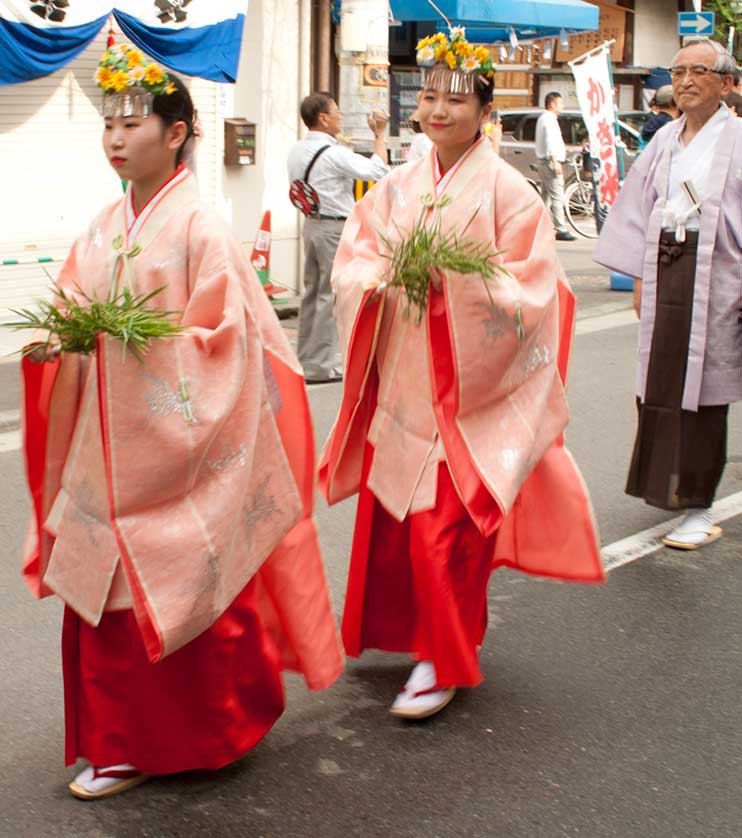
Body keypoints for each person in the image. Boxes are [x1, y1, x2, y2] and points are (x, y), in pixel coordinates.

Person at [20, 45, 343, 800]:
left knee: (169, 585)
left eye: (133, 122)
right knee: (108, 593)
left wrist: (126, 356)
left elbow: (222, 346)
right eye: (108, 123)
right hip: (112, 449)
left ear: (177, 133)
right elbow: (75, 299)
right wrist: (60, 338)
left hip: (177, 451)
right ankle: (119, 737)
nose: (116, 137)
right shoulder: (106, 225)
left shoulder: (201, 227)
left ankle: (183, 737)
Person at [319, 28, 603, 721]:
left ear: (484, 111)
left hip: (469, 398)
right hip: (406, 385)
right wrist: (384, 282)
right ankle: (412, 640)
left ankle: (442, 659)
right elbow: (353, 261)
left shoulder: (512, 192)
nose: (439, 109)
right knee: (400, 526)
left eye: (457, 97)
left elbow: (537, 291)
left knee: (442, 531)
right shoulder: (396, 186)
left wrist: (453, 289)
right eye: (431, 96)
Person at [594, 37, 742, 550]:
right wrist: (638, 275)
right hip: (665, 269)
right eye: (677, 72)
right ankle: (669, 490)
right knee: (659, 383)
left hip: (720, 275)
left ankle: (699, 503)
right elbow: (639, 208)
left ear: (726, 82)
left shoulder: (739, 139)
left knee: (705, 392)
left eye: (698, 71)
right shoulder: (664, 141)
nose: (683, 81)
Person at [287, 93, 390, 384]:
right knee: (331, 295)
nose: (340, 117)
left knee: (312, 294)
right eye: (336, 112)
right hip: (334, 227)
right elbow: (377, 171)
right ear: (323, 118)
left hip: (311, 225)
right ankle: (321, 366)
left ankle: (308, 361)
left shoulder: (295, 151)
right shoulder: (333, 153)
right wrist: (379, 137)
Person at [535, 92, 576, 241]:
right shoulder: (549, 119)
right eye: (560, 103)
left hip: (544, 161)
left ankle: (540, 225)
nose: (562, 106)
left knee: (546, 196)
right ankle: (560, 228)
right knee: (557, 195)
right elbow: (550, 141)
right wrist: (555, 160)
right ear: (552, 104)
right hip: (549, 162)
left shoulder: (544, 118)